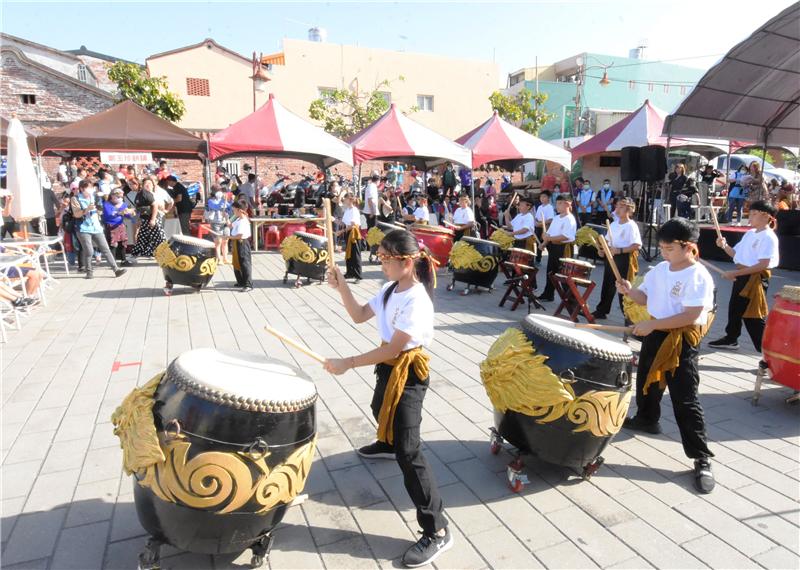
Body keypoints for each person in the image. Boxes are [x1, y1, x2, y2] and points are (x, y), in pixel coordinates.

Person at [323, 230, 452, 567]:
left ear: (406, 262)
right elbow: (358, 315)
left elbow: (395, 348)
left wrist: (347, 363)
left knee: (410, 451)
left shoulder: (416, 301)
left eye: (384, 258)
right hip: (386, 366)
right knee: (379, 407)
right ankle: (387, 442)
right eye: (379, 256)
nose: (379, 263)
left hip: (408, 373)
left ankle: (437, 530)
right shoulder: (389, 289)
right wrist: (342, 288)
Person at [616, 218, 716, 494]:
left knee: (685, 397)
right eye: (661, 246)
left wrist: (652, 324)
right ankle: (648, 419)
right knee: (647, 380)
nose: (664, 252)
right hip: (656, 332)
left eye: (669, 248)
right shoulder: (660, 269)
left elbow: (691, 315)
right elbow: (645, 298)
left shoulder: (698, 276)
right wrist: (629, 291)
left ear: (689, 247)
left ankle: (701, 457)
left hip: (680, 339)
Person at [708, 200, 779, 360]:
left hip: (755, 278)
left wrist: (735, 273)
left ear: (766, 216)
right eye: (750, 213)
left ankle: (769, 354)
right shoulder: (750, 234)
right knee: (735, 308)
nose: (750, 217)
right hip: (743, 275)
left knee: (752, 315)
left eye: (754, 214)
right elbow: (736, 255)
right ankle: (731, 338)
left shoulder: (768, 237)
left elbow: (763, 265)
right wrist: (724, 246)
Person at [592, 198, 642, 320]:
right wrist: (602, 250)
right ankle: (602, 310)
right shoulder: (613, 224)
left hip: (625, 259)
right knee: (608, 284)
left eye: (621, 206)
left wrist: (619, 250)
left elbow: (637, 245)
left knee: (624, 286)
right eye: (617, 206)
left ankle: (629, 316)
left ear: (629, 210)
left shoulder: (631, 225)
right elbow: (607, 242)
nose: (617, 209)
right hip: (612, 257)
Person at [70, 181, 126, 280]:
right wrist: (87, 209)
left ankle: (116, 269)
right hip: (83, 228)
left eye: (91, 187)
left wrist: (99, 208)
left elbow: (100, 211)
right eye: (88, 187)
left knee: (105, 248)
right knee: (89, 251)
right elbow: (76, 214)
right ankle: (89, 272)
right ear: (82, 189)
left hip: (96, 227)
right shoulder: (75, 198)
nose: (90, 190)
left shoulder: (95, 197)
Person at [538, 195, 577, 302]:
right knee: (550, 272)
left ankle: (573, 299)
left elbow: (565, 236)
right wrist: (544, 243)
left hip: (564, 248)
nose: (557, 206)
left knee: (564, 274)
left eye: (560, 203)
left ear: (568, 204)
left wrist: (548, 238)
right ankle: (548, 294)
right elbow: (549, 234)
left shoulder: (570, 219)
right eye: (557, 203)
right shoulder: (556, 218)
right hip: (553, 247)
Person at [130, 178, 166, 258]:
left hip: (153, 218)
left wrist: (153, 219)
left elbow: (155, 205)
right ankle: (139, 253)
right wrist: (138, 218)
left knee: (159, 237)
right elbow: (139, 208)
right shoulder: (139, 194)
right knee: (142, 236)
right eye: (146, 183)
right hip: (144, 218)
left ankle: (165, 253)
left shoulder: (147, 194)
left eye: (150, 184)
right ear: (142, 185)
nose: (148, 185)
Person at [103, 189, 134, 266]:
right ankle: (113, 262)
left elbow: (127, 215)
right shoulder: (107, 204)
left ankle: (124, 260)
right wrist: (120, 212)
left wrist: (130, 213)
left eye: (120, 197)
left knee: (123, 243)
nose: (119, 198)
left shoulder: (123, 204)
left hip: (120, 225)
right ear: (112, 196)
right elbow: (109, 215)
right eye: (117, 196)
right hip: (111, 226)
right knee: (113, 244)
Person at [229, 201, 252, 292]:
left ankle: (248, 284)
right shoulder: (238, 219)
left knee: (245, 263)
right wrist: (227, 217)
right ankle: (241, 282)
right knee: (237, 263)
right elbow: (230, 226)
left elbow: (239, 235)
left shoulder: (243, 221)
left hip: (242, 243)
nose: (233, 211)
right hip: (236, 242)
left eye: (234, 210)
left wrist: (228, 237)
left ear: (239, 210)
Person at [205, 186, 232, 264]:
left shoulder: (224, 200)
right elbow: (216, 207)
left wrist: (229, 202)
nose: (220, 192)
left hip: (225, 222)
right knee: (218, 242)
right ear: (214, 192)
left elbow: (230, 209)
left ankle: (225, 258)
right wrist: (222, 201)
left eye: (221, 190)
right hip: (215, 223)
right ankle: (219, 259)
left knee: (225, 241)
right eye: (218, 190)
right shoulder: (210, 201)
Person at [341, 193, 363, 281]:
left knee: (355, 254)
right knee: (349, 253)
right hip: (348, 232)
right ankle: (349, 272)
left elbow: (353, 225)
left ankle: (358, 275)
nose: (344, 200)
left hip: (354, 234)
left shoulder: (354, 210)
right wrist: (333, 219)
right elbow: (344, 223)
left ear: (349, 199)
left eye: (345, 198)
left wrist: (341, 231)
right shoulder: (347, 210)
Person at [534, 191, 555, 264]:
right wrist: (536, 223)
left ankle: (553, 260)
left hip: (546, 227)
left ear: (548, 198)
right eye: (541, 197)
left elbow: (550, 220)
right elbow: (536, 218)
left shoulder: (549, 207)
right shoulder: (539, 207)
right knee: (538, 243)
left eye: (544, 197)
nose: (542, 198)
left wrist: (541, 224)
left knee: (548, 244)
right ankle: (538, 259)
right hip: (539, 227)